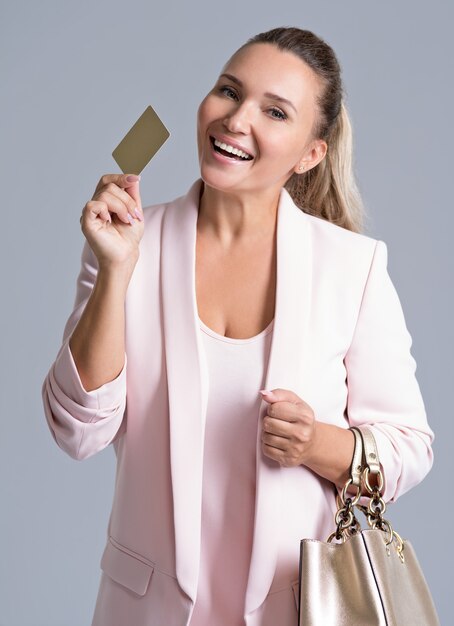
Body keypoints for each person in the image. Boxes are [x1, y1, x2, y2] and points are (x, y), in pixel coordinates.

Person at [41, 26, 434, 626]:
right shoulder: (127, 244)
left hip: (298, 607)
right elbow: (78, 431)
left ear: (310, 153)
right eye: (229, 91)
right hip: (144, 611)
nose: (235, 119)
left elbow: (410, 447)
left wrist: (318, 444)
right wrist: (117, 268)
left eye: (274, 111)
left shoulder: (353, 268)